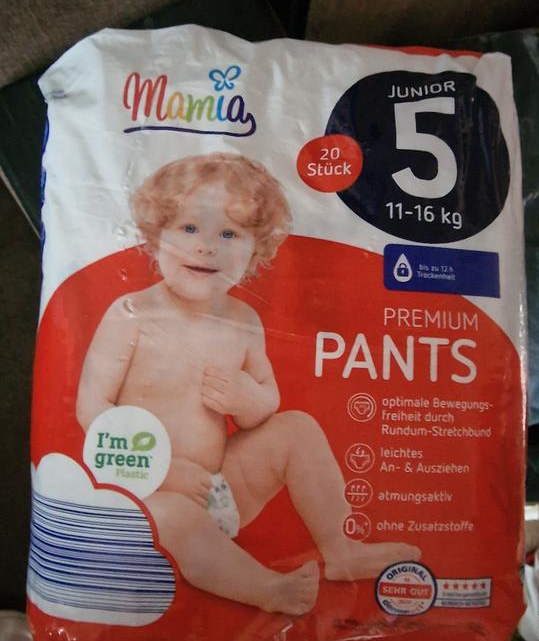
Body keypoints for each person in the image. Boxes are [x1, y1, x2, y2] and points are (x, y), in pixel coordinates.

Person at [76, 153, 420, 616]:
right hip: (143, 494)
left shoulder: (244, 321)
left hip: (220, 488)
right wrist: (158, 469)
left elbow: (266, 404)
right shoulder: (130, 315)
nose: (206, 247)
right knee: (175, 517)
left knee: (297, 428)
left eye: (229, 234)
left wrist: (249, 399)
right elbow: (92, 406)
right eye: (189, 228)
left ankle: (341, 548)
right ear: (155, 235)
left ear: (255, 253)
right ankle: (266, 588)